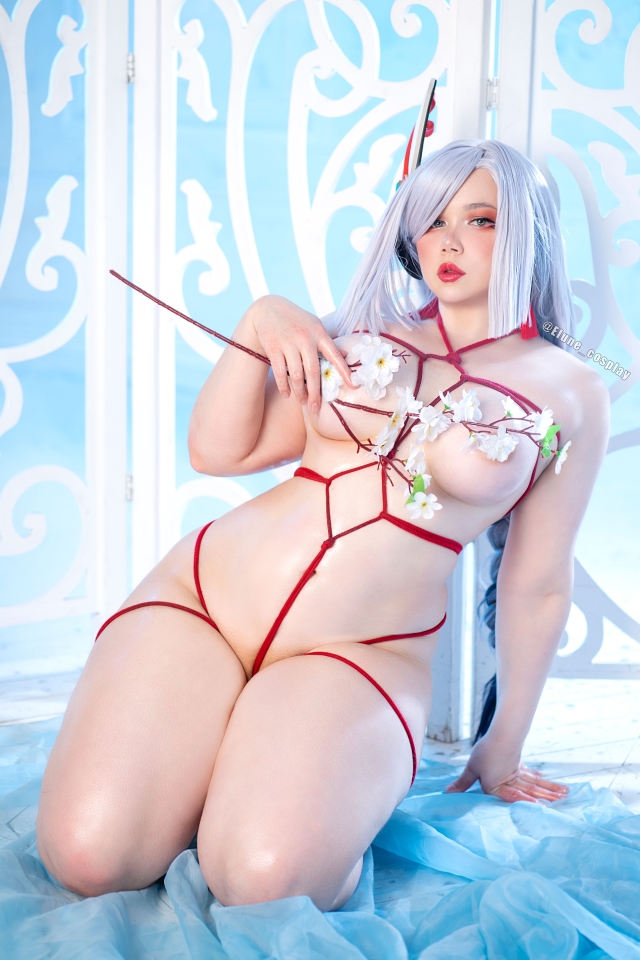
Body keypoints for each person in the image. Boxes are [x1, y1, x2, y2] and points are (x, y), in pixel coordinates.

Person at [36, 140, 608, 911]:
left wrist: (503, 742)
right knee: (88, 858)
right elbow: (221, 450)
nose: (448, 242)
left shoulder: (572, 391)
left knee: (265, 882)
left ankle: (264, 781)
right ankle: (204, 765)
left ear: (529, 233)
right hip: (201, 603)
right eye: (432, 221)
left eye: (480, 220)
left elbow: (535, 583)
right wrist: (261, 322)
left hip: (357, 656)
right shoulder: (363, 332)